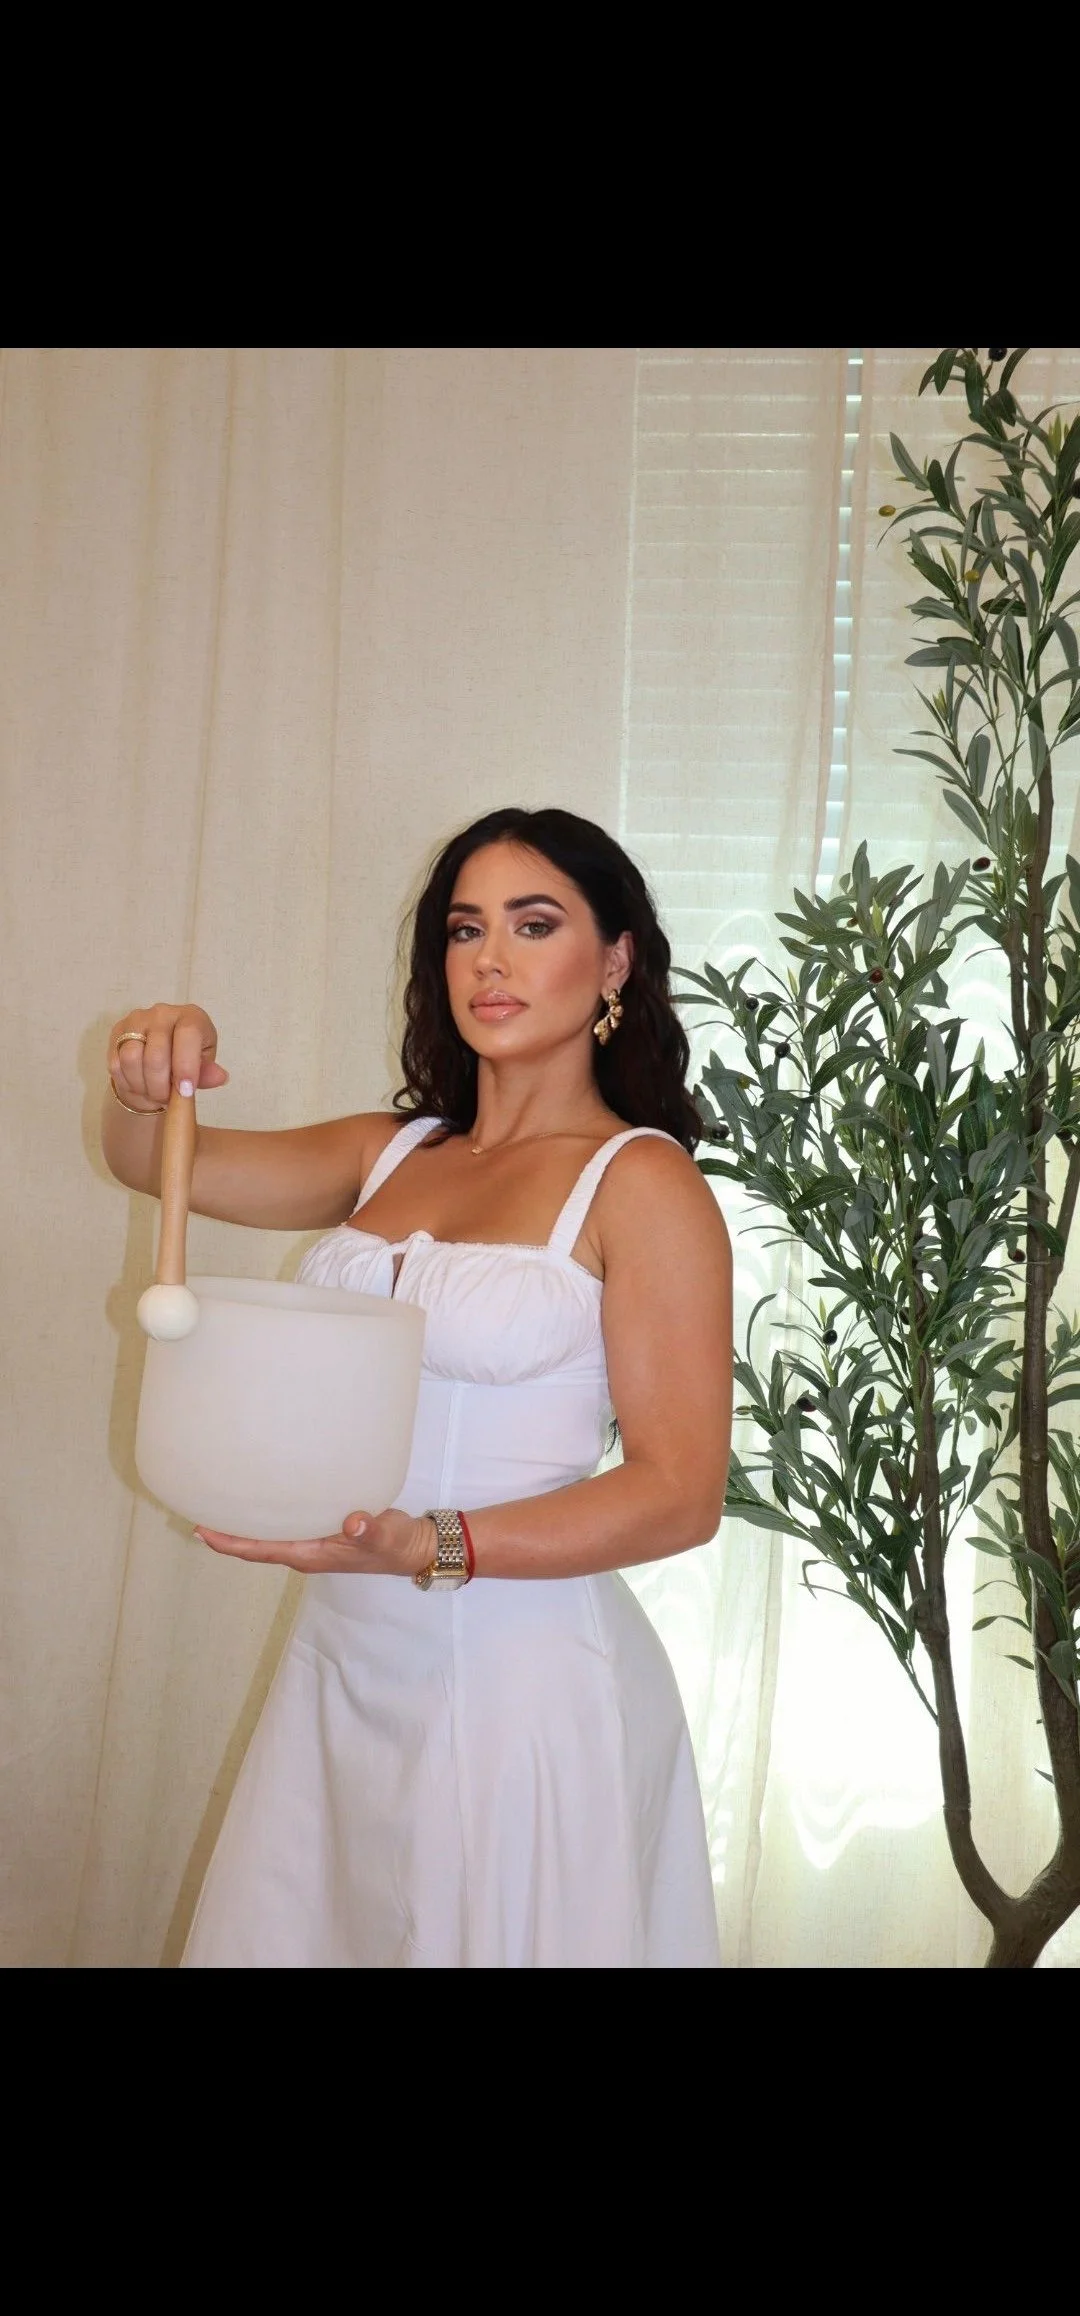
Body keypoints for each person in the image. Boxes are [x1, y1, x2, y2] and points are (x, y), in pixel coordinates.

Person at [103, 805, 734, 1968]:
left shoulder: (642, 1182)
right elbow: (154, 1162)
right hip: (344, 1665)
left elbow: (680, 1494)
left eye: (533, 925)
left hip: (524, 1688)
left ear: (614, 962)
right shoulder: (387, 1153)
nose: (490, 960)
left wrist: (431, 1545)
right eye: (464, 928)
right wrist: (157, 1070)